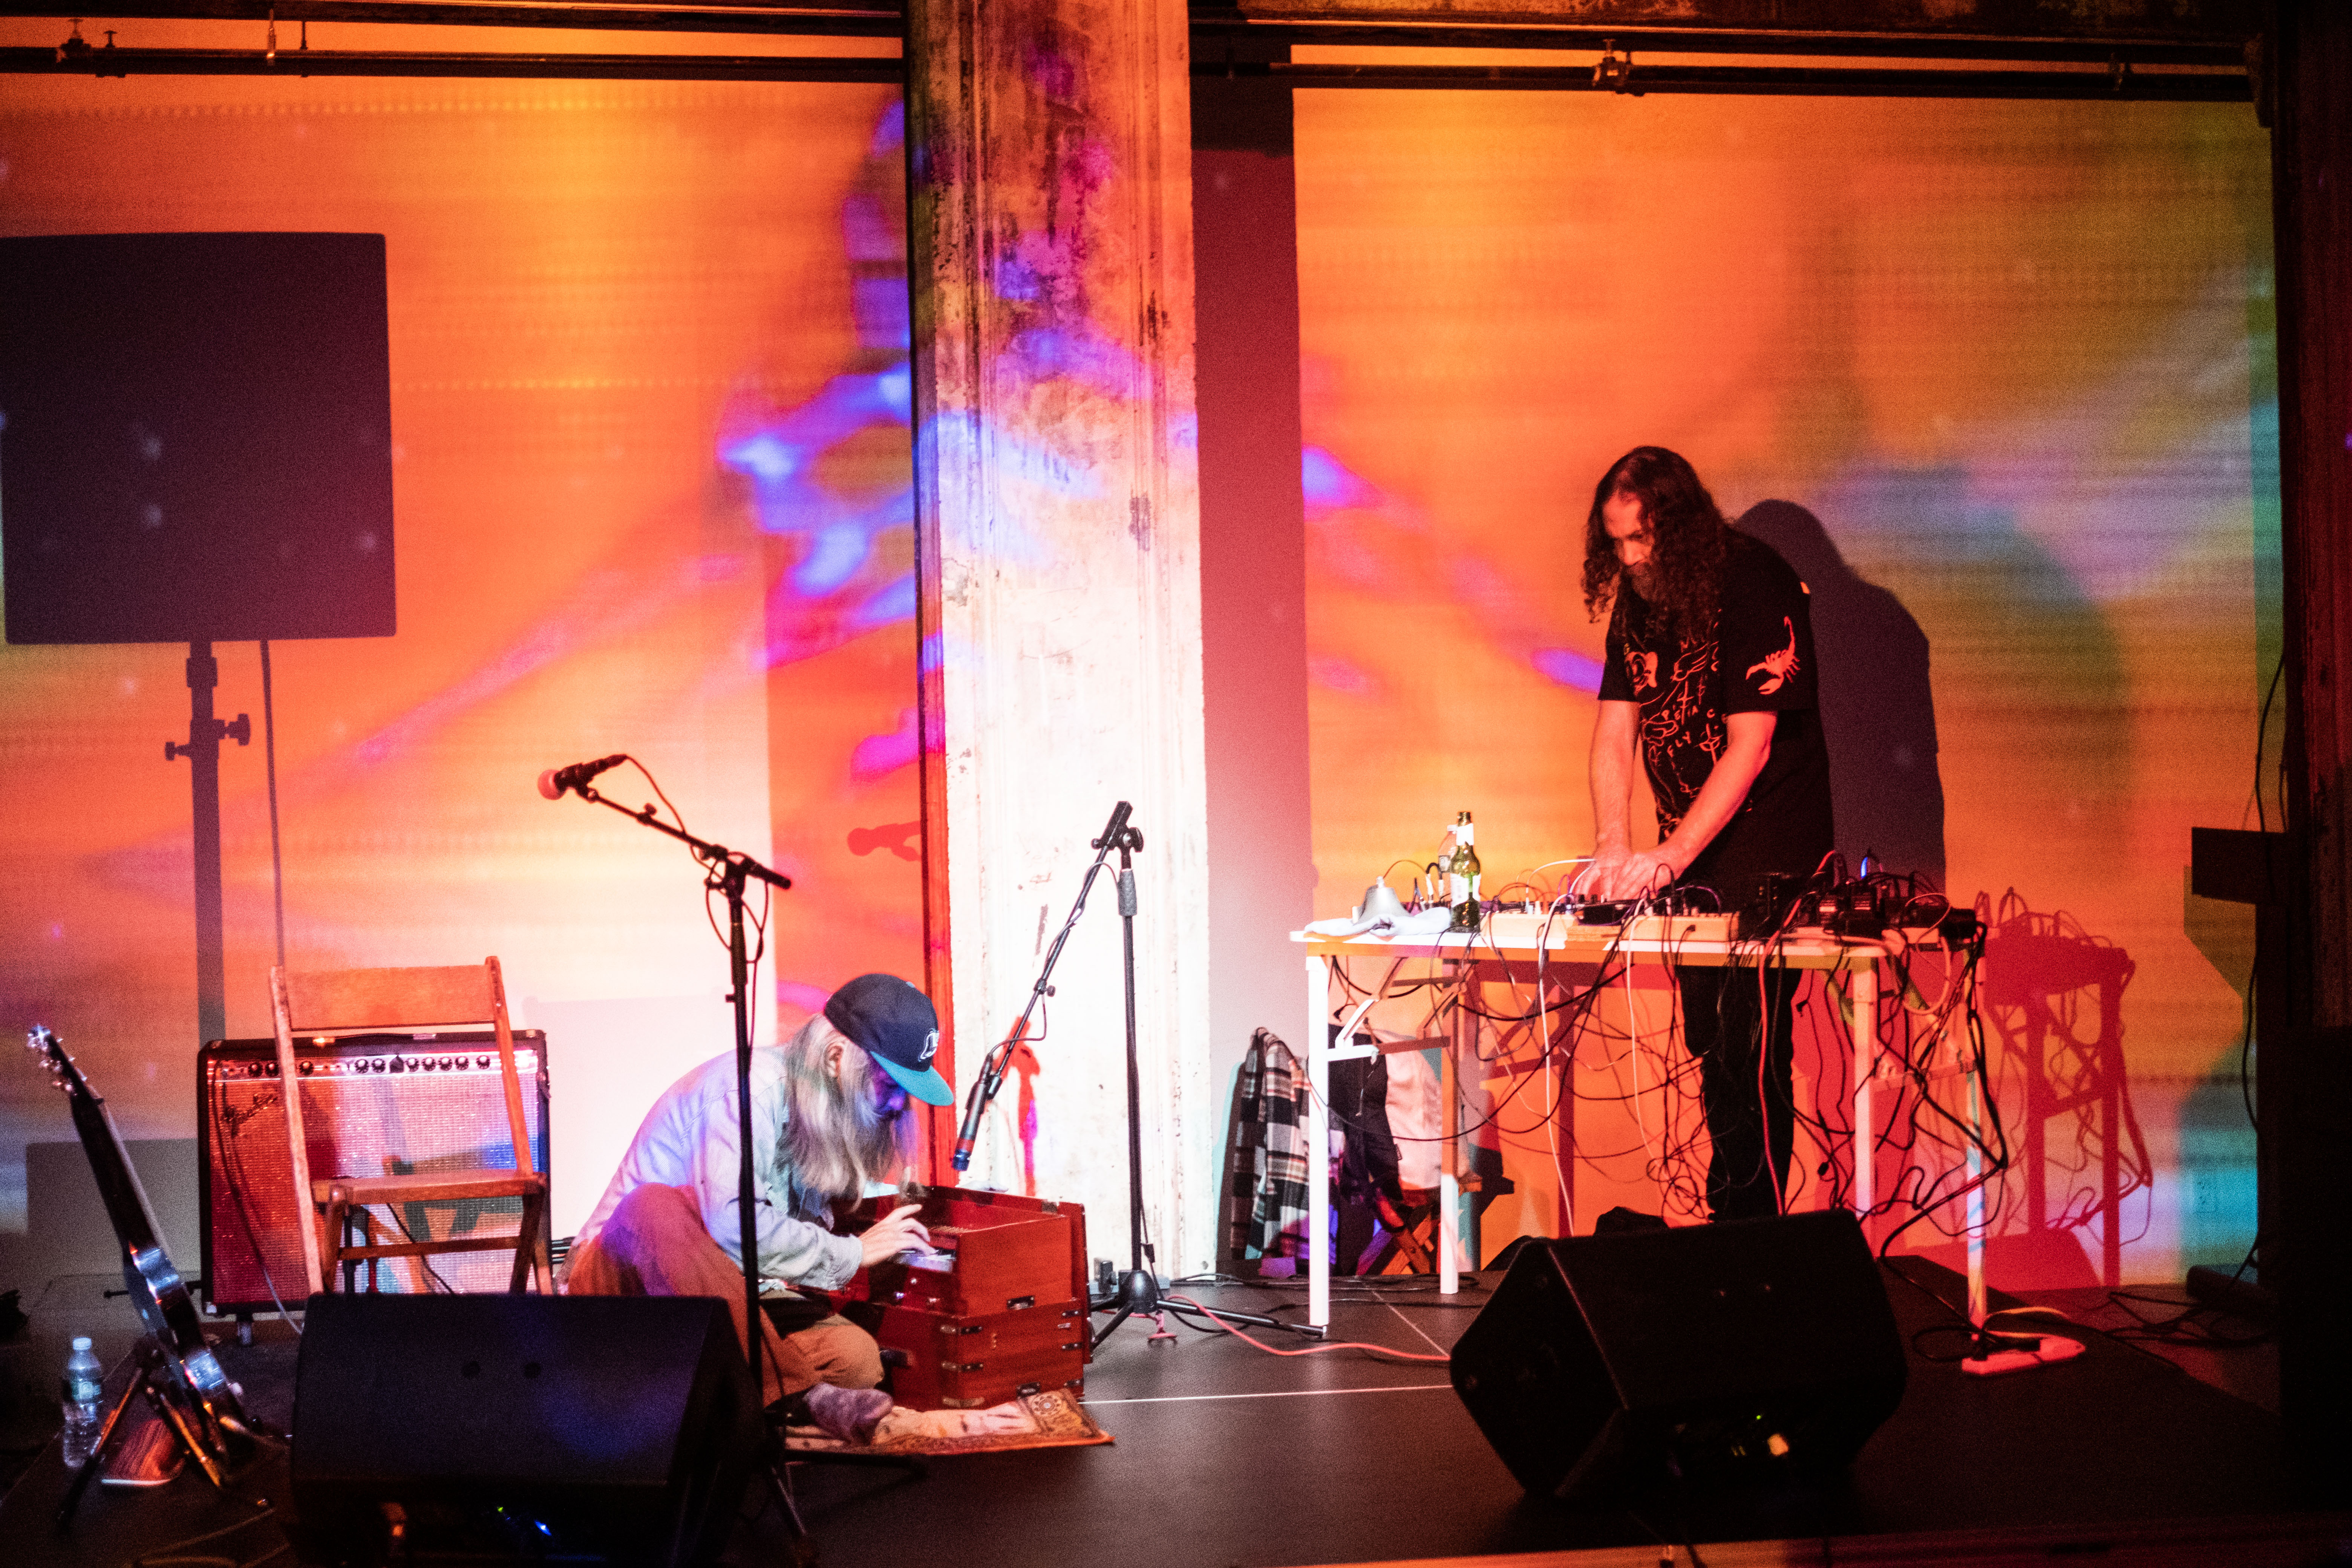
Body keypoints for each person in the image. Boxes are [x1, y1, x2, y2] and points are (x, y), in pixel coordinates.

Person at [1582, 447, 1834, 1221]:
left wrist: (1667, 855)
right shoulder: (1639, 599)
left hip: (1767, 856)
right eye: (1615, 542)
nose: (1628, 558)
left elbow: (1750, 746)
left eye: (1640, 541)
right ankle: (1731, 1233)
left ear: (1681, 527)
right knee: (1707, 1047)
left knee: (1751, 1051)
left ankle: (1748, 1237)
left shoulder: (1753, 581)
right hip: (1683, 857)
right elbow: (1614, 736)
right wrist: (1615, 846)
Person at [565, 972, 953, 1440]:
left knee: (855, 1356)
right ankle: (805, 1395)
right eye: (890, 1084)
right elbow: (734, 1227)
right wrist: (850, 1253)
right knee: (653, 1203)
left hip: (726, 1292)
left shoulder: (821, 1111)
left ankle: (728, 1390)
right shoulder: (745, 1090)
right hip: (624, 1284)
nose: (897, 1104)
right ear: (836, 1059)